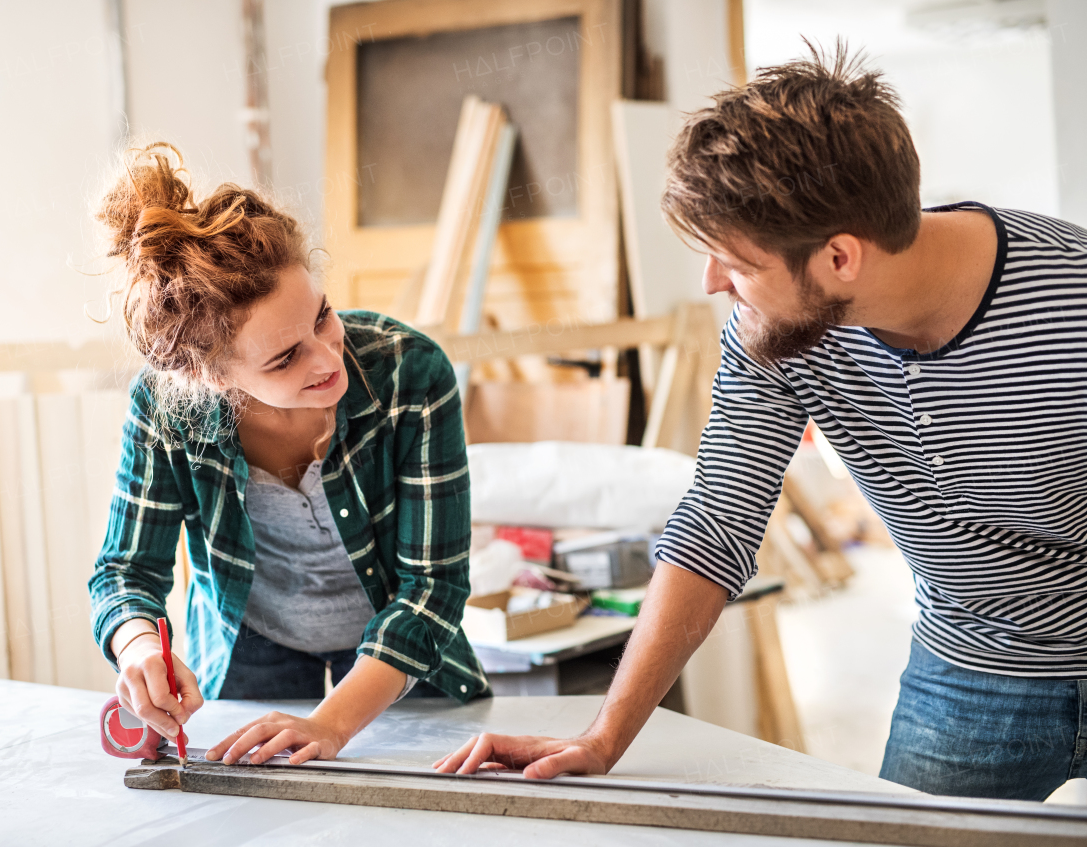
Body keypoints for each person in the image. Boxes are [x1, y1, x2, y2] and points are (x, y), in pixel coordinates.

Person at [435, 45, 1087, 801]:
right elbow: (716, 521)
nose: (712, 282)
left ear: (841, 257)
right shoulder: (774, 329)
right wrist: (602, 734)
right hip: (972, 666)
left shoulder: (1070, 308)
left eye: (734, 262)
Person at [88, 143, 488, 766]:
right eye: (283, 358)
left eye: (322, 317)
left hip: (404, 656)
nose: (329, 359)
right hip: (251, 647)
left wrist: (330, 725)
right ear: (210, 377)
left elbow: (432, 590)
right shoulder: (164, 406)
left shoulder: (411, 373)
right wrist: (140, 648)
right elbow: (125, 574)